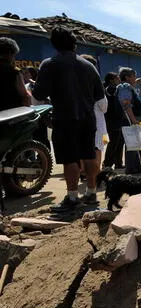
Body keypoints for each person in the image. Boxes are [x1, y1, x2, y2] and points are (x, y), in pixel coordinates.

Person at [32, 26, 104, 211]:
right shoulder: (89, 66)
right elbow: (98, 94)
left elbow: (39, 93)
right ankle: (91, 192)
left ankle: (72, 197)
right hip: (88, 118)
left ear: (54, 44)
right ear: (74, 43)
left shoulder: (49, 64)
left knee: (69, 158)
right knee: (89, 154)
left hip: (65, 118)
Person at [79, 54, 109, 176]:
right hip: (96, 122)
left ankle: (82, 171)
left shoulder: (72, 82)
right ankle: (95, 174)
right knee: (97, 147)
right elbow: (104, 106)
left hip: (78, 120)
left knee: (81, 147)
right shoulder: (95, 84)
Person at [116, 67, 141, 175]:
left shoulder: (127, 86)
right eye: (134, 77)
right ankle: (133, 169)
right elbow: (126, 104)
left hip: (133, 119)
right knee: (132, 144)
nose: (135, 79)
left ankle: (138, 166)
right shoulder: (125, 87)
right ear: (127, 77)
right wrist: (133, 120)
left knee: (136, 144)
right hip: (131, 120)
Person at [102, 72, 126, 170]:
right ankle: (107, 164)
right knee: (113, 143)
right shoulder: (110, 89)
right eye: (117, 78)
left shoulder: (114, 88)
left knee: (119, 142)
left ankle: (118, 163)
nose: (119, 79)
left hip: (117, 120)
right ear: (112, 80)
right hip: (112, 121)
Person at [0, 37, 30, 111]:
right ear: (10, 53)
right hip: (12, 114)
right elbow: (25, 95)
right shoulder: (14, 71)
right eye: (14, 55)